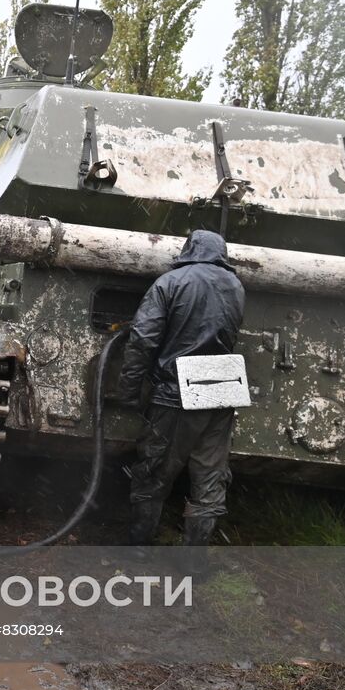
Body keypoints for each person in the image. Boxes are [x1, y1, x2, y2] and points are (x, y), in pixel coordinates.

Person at [115, 230, 246, 548]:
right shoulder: (236, 286)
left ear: (189, 250)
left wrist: (129, 391)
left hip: (177, 390)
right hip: (223, 386)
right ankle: (194, 562)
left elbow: (143, 340)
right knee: (210, 477)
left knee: (154, 470)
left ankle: (138, 551)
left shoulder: (170, 283)